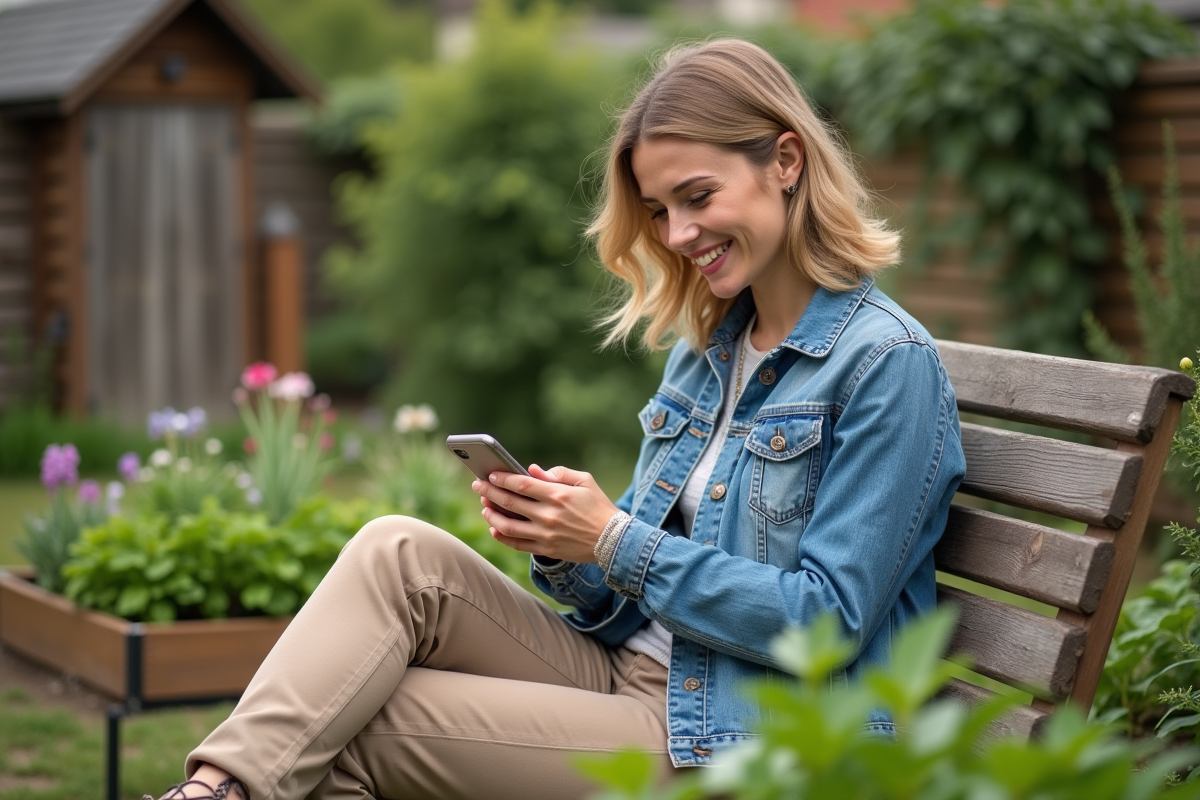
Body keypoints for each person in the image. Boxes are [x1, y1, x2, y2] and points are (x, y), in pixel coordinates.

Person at [149, 38, 966, 800]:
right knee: (396, 552)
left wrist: (614, 539)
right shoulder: (711, 347)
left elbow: (826, 621)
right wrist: (566, 547)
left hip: (739, 732)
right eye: (657, 210)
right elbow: (622, 607)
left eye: (698, 197)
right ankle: (212, 791)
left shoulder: (886, 363)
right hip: (635, 675)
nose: (678, 235)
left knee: (356, 727)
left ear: (785, 161)